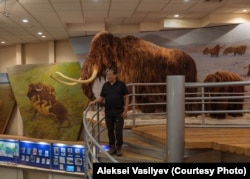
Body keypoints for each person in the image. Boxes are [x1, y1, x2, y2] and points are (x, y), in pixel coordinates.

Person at [89, 67, 129, 156]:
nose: (109, 76)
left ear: (115, 75)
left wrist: (126, 110)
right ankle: (112, 147)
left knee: (118, 130)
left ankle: (119, 148)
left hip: (119, 111)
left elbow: (126, 97)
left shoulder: (121, 84)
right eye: (107, 75)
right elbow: (101, 98)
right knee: (110, 130)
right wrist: (94, 101)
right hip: (108, 112)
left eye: (111, 74)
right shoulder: (105, 85)